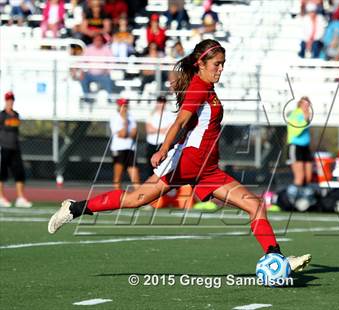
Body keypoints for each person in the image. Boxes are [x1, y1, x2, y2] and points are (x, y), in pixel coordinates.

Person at [47, 39, 311, 272]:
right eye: (217, 64)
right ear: (201, 63)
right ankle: (75, 208)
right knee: (136, 199)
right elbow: (180, 122)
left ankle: (276, 258)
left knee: (255, 205)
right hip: (185, 162)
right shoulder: (198, 87)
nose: (221, 69)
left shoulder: (209, 88)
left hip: (206, 170)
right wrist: (162, 150)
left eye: (223, 64)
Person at [0, 92, 32, 208]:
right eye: (8, 99)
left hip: (15, 147)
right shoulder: (2, 115)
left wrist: (11, 123)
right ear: (5, 101)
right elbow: (7, 125)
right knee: (2, 173)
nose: (10, 102)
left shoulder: (16, 114)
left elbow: (15, 124)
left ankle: (20, 197)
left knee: (19, 173)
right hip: (4, 147)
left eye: (11, 99)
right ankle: (1, 197)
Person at [109, 98, 141, 190]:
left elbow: (134, 134)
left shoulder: (131, 117)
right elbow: (122, 134)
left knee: (135, 177)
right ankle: (117, 198)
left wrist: (128, 132)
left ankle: (139, 199)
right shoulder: (114, 117)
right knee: (117, 177)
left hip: (130, 148)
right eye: (122, 105)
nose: (124, 108)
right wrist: (125, 122)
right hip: (119, 149)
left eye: (126, 105)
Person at [144, 96, 175, 179]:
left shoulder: (170, 114)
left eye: (163, 102)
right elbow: (148, 129)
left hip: (163, 144)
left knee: (164, 167)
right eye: (160, 102)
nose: (161, 104)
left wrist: (156, 129)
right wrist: (162, 129)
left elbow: (170, 129)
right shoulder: (151, 114)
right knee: (150, 168)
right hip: (152, 144)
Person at [286, 96, 313, 187]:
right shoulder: (294, 115)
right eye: (304, 104)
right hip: (295, 147)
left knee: (308, 177)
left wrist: (306, 119)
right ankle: (295, 198)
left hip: (306, 147)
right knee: (300, 177)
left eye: (308, 105)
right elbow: (295, 131)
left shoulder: (307, 116)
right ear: (300, 104)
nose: (306, 107)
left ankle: (305, 196)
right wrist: (305, 121)